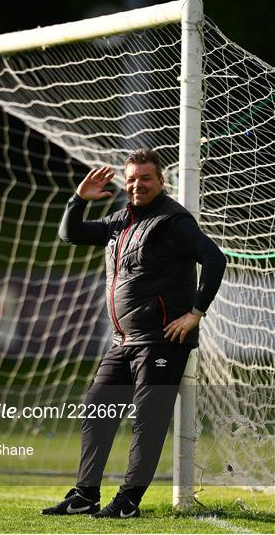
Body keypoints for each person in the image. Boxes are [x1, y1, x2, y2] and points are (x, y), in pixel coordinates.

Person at [41, 148, 226, 518]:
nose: (137, 184)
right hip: (122, 342)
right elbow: (70, 234)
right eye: (131, 179)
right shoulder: (120, 220)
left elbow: (214, 258)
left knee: (148, 418)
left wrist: (195, 314)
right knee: (97, 407)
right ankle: (85, 495)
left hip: (161, 341)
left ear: (160, 181)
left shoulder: (173, 220)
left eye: (145, 178)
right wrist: (78, 199)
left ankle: (128, 501)